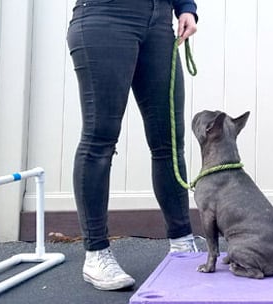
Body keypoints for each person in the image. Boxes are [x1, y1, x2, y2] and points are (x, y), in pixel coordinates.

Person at [66, 0, 198, 291]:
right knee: (100, 138)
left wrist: (186, 7)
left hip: (158, 22)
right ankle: (96, 253)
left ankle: (182, 243)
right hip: (105, 17)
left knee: (169, 142)